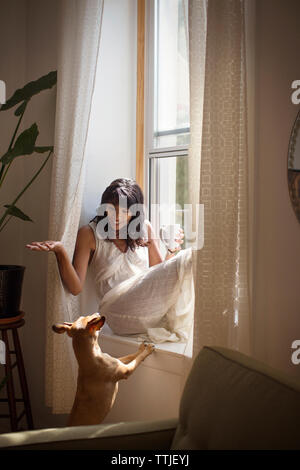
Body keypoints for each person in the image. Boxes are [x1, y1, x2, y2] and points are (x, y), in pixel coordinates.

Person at [26, 178, 194, 343]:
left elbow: (158, 277)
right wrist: (60, 251)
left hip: (144, 309)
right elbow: (75, 288)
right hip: (115, 311)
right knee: (188, 258)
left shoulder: (145, 228)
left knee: (187, 260)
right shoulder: (89, 234)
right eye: (112, 208)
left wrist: (170, 249)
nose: (116, 216)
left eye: (124, 211)